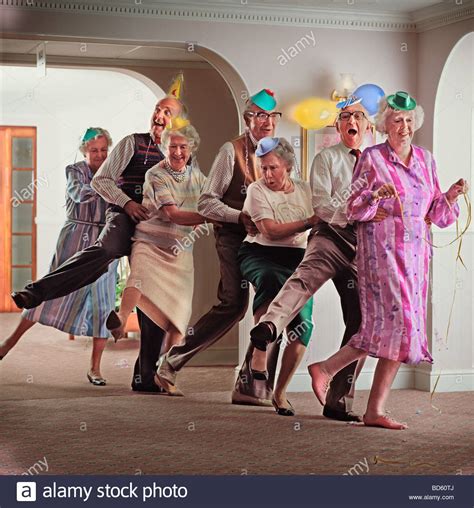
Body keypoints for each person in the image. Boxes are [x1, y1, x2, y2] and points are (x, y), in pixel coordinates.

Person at [309, 91, 468, 430]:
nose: (404, 127)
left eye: (409, 121)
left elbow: (437, 215)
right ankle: (332, 374)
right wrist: (373, 196)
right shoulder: (372, 159)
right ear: (384, 124)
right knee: (394, 329)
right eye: (397, 120)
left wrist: (451, 196)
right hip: (380, 255)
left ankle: (361, 399)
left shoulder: (426, 160)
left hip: (415, 260)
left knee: (395, 331)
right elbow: (353, 209)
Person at [11, 82, 185, 392]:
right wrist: (128, 203)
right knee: (104, 250)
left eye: (167, 113)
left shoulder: (181, 153)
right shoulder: (132, 143)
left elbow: (188, 193)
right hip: (122, 215)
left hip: (157, 228)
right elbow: (103, 181)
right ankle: (36, 292)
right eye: (157, 110)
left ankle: (144, 377)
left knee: (152, 292)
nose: (159, 116)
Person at [247, 96, 383, 422]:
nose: (352, 121)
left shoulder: (379, 161)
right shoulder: (326, 158)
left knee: (362, 323)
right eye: (345, 116)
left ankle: (338, 401)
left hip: (362, 248)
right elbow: (322, 206)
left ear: (367, 126)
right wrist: (357, 212)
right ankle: (270, 324)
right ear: (338, 126)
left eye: (358, 116)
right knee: (303, 280)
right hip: (330, 236)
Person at [155, 89, 282, 404]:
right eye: (260, 115)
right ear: (247, 118)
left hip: (269, 240)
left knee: (275, 306)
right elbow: (207, 203)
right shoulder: (231, 151)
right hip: (233, 236)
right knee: (234, 305)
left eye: (272, 116)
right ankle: (171, 361)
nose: (267, 122)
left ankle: (253, 383)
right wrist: (240, 217)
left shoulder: (279, 152)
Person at [1, 128, 117, 385]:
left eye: (103, 150)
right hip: (74, 239)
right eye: (93, 150)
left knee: (103, 303)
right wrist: (110, 187)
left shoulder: (116, 172)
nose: (99, 155)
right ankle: (8, 343)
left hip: (105, 242)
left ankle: (95, 369)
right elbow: (81, 194)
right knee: (48, 295)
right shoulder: (74, 170)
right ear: (84, 151)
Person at [106, 122, 214, 363]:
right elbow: (172, 214)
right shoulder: (155, 174)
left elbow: (210, 200)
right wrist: (209, 217)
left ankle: (167, 369)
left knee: (179, 314)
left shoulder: (197, 176)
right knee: (138, 279)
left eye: (183, 147)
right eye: (172, 146)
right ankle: (121, 320)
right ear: (164, 148)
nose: (177, 152)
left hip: (180, 252)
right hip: (150, 242)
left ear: (192, 148)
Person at [237, 137, 319, 415]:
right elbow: (270, 231)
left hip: (298, 259)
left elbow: (321, 223)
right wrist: (309, 222)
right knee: (271, 281)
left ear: (288, 165)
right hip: (260, 253)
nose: (267, 174)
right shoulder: (255, 190)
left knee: (303, 327)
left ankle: (280, 392)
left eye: (273, 168)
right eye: (263, 168)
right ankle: (260, 354)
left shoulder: (306, 190)